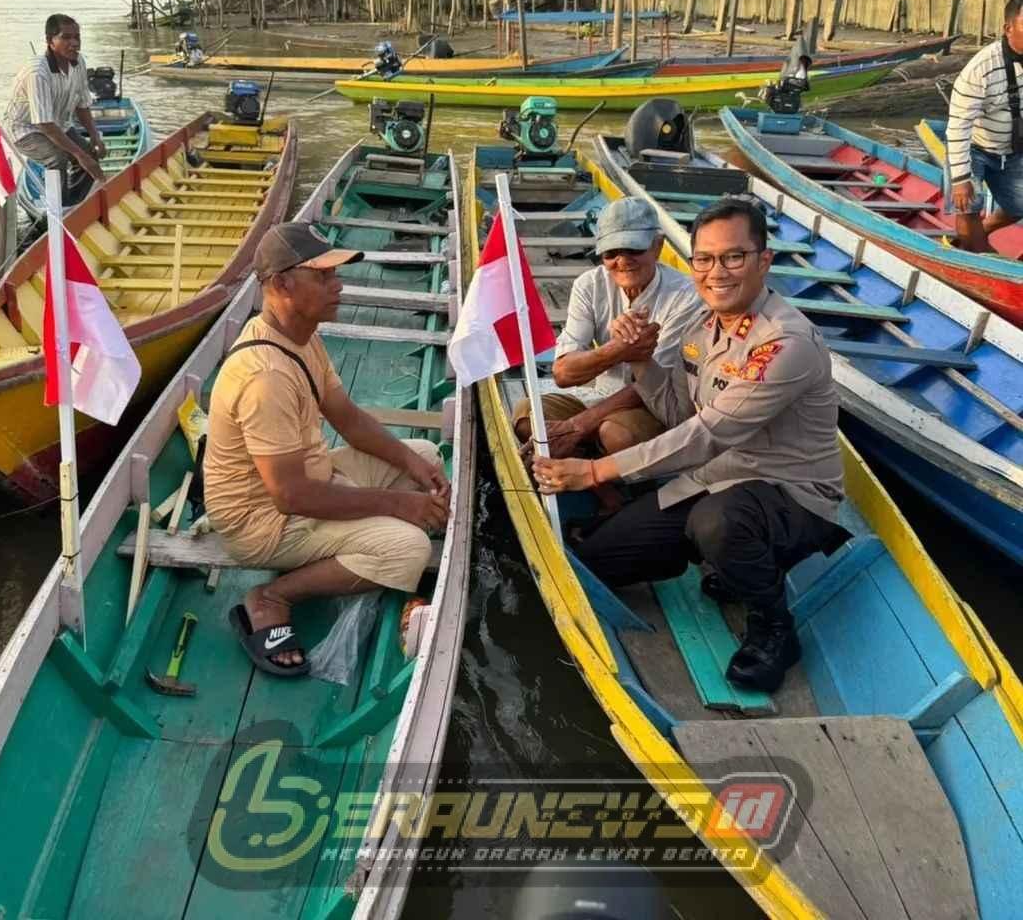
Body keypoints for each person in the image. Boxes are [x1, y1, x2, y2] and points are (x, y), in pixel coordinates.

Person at [533, 196, 848, 693]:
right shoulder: (705, 328)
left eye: (733, 257)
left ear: (763, 260)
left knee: (717, 522)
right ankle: (718, 561)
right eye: (704, 259)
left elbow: (706, 434)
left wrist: (594, 472)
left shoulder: (785, 343)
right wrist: (640, 357)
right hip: (717, 479)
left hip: (790, 494)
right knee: (596, 558)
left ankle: (773, 627)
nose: (715, 272)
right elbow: (679, 411)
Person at [204, 222, 451, 677]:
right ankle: (273, 597)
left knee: (425, 456)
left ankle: (378, 517)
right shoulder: (265, 378)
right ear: (281, 283)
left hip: (312, 480)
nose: (339, 286)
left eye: (336, 275)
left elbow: (349, 419)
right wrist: (399, 505)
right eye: (324, 277)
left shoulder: (302, 337)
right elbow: (290, 497)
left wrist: (412, 466)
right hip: (263, 522)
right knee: (409, 548)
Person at [512, 196, 700, 459]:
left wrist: (577, 426)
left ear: (657, 246)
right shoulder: (589, 285)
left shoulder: (686, 296)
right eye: (611, 253)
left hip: (651, 405)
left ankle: (592, 464)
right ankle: (589, 456)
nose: (622, 261)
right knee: (524, 416)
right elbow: (563, 373)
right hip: (600, 395)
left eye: (634, 250)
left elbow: (653, 386)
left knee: (615, 434)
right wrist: (619, 350)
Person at [946, 0, 1023, 252]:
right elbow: (958, 126)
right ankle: (981, 258)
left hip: (1011, 150)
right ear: (1008, 27)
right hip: (974, 148)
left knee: (1020, 205)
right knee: (967, 204)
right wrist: (960, 179)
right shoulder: (980, 69)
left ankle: (984, 229)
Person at [4, 14, 105, 193]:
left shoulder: (79, 62)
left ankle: (76, 202)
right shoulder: (38, 73)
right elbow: (44, 124)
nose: (74, 43)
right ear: (50, 41)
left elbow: (82, 105)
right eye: (66, 37)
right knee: (57, 158)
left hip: (58, 123)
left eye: (77, 37)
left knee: (90, 154)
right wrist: (78, 155)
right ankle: (58, 208)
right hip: (25, 129)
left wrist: (95, 136)